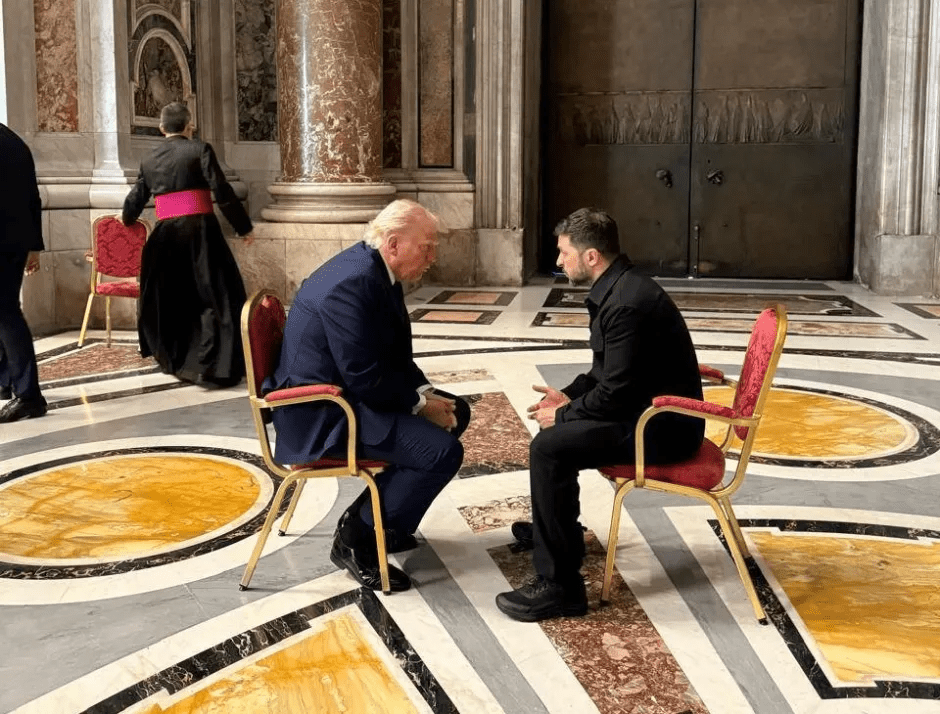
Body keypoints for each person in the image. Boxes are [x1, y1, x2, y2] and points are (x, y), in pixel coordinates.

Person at [496, 207, 704, 622]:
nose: (559, 262)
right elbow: (604, 374)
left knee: (551, 448)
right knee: (554, 442)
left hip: (663, 428)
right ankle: (559, 537)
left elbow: (617, 392)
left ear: (591, 256)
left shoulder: (626, 303)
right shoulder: (620, 289)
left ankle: (561, 588)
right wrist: (567, 396)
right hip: (647, 412)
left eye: (564, 253)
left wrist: (568, 414)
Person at [266, 199, 471, 592]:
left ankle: (388, 521)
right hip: (322, 412)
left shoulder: (376, 269)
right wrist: (421, 405)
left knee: (457, 413)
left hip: (349, 393)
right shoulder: (352, 282)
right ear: (393, 243)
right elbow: (363, 375)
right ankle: (356, 537)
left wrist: (426, 393)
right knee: (441, 452)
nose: (433, 256)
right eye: (426, 246)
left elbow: (391, 355)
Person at [122, 102, 254, 387]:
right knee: (216, 296)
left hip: (165, 236)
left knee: (173, 299)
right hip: (201, 232)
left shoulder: (148, 159)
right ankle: (214, 365)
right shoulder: (199, 149)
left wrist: (127, 219)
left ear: (161, 128)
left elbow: (135, 198)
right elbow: (221, 190)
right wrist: (243, 227)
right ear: (189, 125)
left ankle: (176, 359)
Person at [0, 123, 48, 423]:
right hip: (15, 241)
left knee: (5, 313)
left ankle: (29, 395)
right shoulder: (14, 140)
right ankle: (8, 380)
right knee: (4, 311)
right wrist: (33, 246)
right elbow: (34, 196)